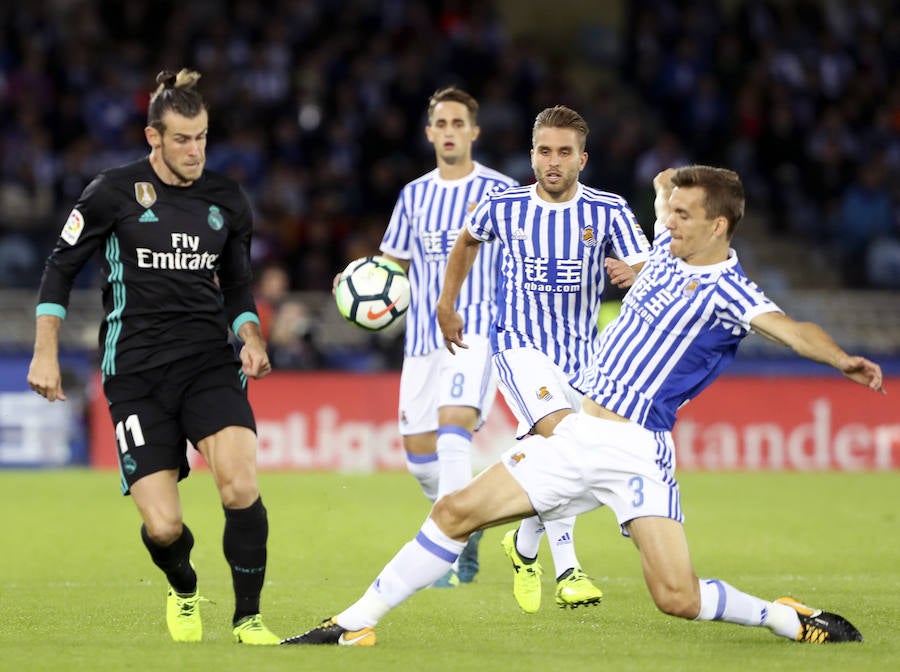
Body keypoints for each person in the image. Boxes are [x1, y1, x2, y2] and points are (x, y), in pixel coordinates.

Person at [280, 164, 882, 647]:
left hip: (635, 452)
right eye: (669, 210)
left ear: (719, 227)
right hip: (572, 437)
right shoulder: (668, 250)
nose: (667, 220)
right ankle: (352, 623)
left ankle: (784, 619)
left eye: (682, 214)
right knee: (454, 512)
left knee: (677, 599)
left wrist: (841, 360)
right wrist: (675, 187)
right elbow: (664, 180)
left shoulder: (731, 289)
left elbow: (794, 329)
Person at [26, 69, 280, 645]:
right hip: (135, 374)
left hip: (209, 363)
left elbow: (237, 288)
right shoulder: (112, 192)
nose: (196, 151)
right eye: (183, 139)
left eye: (203, 138)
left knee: (239, 486)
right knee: (164, 526)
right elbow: (59, 269)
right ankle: (184, 586)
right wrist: (45, 353)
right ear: (153, 137)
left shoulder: (226, 199)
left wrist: (252, 338)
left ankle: (249, 619)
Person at [436, 105, 650, 612]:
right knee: (564, 437)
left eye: (564, 153)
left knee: (564, 459)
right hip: (518, 346)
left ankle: (523, 544)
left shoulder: (608, 210)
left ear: (582, 159)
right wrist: (447, 303)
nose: (553, 161)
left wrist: (636, 276)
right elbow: (466, 241)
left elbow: (649, 268)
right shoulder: (503, 205)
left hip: (582, 358)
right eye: (545, 151)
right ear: (532, 155)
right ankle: (569, 568)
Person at [374, 86, 518, 586]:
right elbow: (392, 263)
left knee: (453, 430)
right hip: (421, 340)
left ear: (474, 131)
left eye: (460, 123)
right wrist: (359, 280)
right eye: (442, 123)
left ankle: (449, 554)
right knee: (419, 458)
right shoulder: (413, 195)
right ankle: (469, 518)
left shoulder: (501, 190)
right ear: (430, 132)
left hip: (476, 330)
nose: (451, 131)